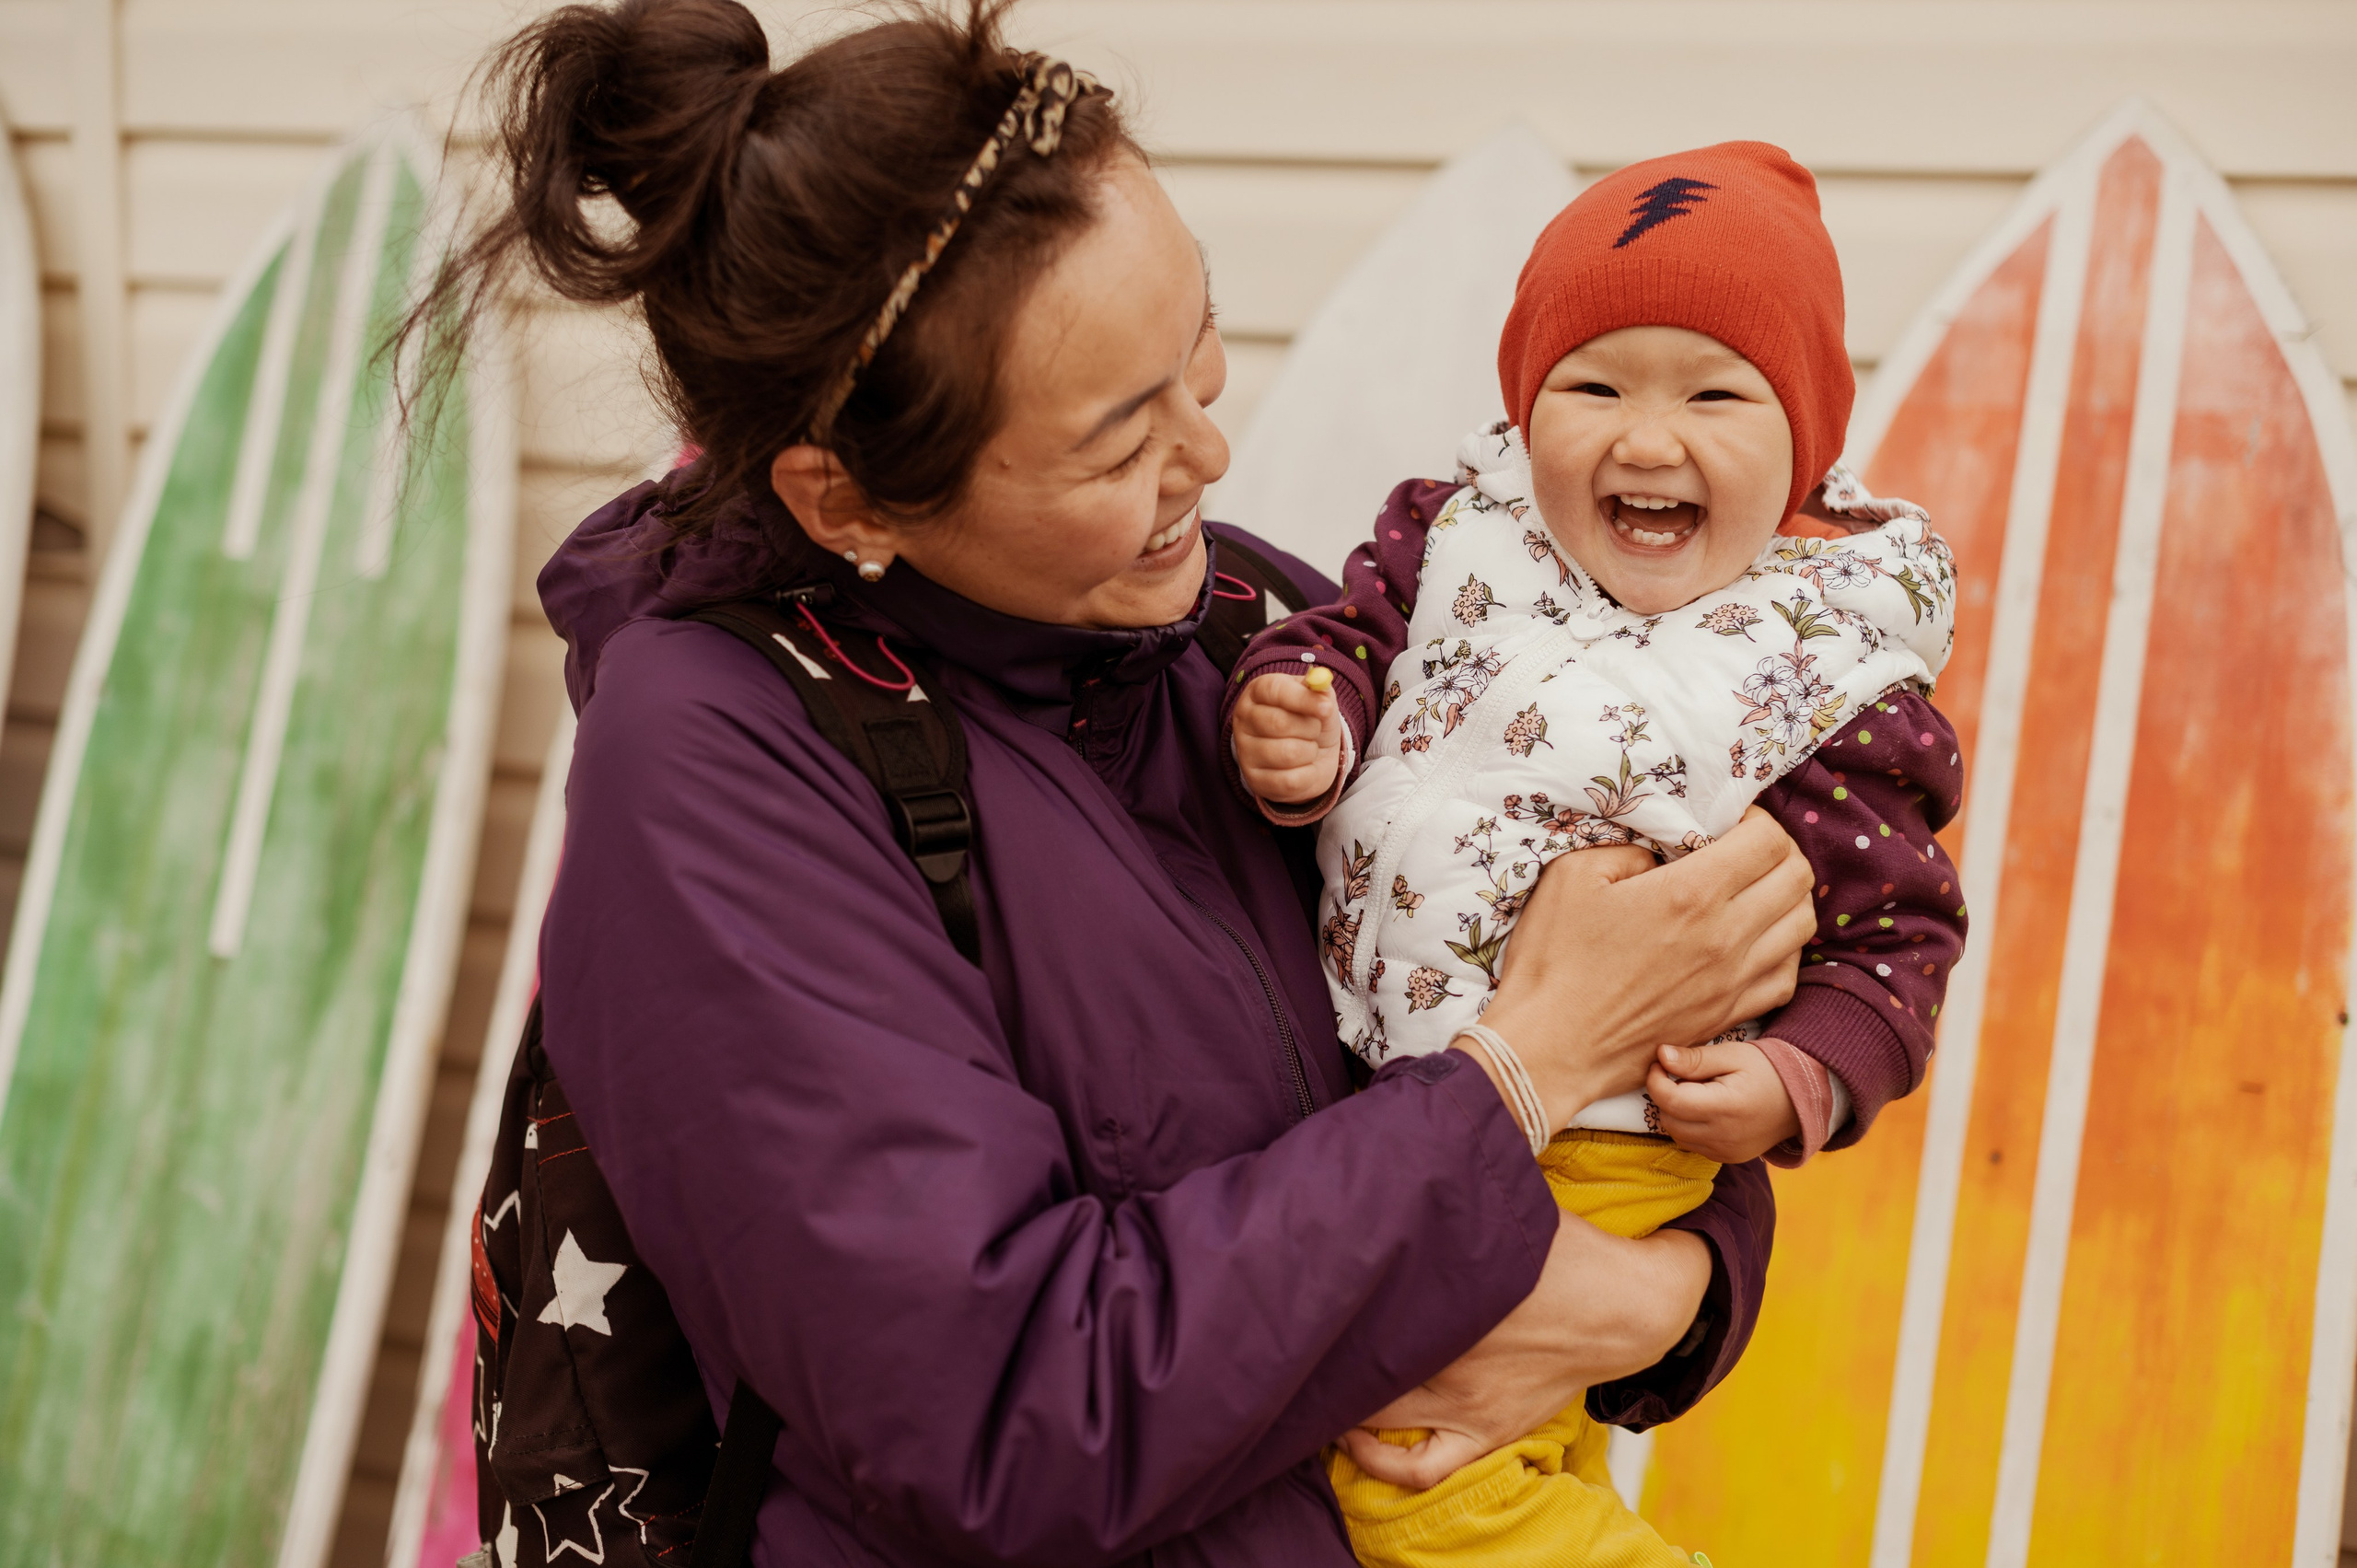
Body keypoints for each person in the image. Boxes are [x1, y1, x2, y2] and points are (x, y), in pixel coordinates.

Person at [429, 5, 1819, 1562]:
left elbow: (1636, 1112)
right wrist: (1530, 1062)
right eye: (1115, 445)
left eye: (1197, 352)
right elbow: (997, 1420)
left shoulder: (1251, 630)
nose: (1210, 455)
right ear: (854, 497)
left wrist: (1669, 1293)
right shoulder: (717, 767)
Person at [1225, 144, 1968, 1565]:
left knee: (1411, 1475)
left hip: (1615, 1143)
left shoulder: (1826, 669)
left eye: (1713, 393)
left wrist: (1795, 1073)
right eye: (1594, 385)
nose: (1644, 437)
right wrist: (1299, 723)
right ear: (1522, 409)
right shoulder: (1456, 544)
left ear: (1805, 442)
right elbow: (1347, 653)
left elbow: (1902, 934)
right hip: (1401, 1090)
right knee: (1522, 1446)